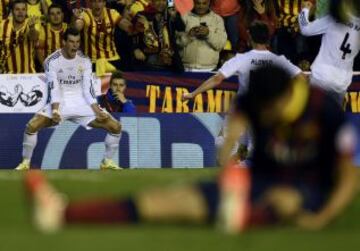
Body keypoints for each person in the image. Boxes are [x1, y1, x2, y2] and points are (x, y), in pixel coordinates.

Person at [24, 65, 358, 234]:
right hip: (258, 179)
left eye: (267, 111)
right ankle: (63, 212)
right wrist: (227, 162)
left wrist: (323, 216)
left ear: (286, 97)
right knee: (170, 200)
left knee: (287, 201)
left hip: (307, 188)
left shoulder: (323, 108)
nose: (264, 118)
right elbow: (236, 124)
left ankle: (238, 216)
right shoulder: (256, 99)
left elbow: (350, 173)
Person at [15, 28, 123, 171]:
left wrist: (97, 110)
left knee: (116, 127)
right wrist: (55, 110)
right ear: (64, 42)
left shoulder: (84, 61)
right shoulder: (52, 61)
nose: (75, 45)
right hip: (60, 103)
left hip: (82, 103)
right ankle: (25, 163)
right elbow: (54, 88)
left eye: (77, 42)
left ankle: (106, 162)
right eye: (71, 42)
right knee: (32, 126)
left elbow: (88, 89)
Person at [298, 1, 360, 104]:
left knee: (312, 117)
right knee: (332, 118)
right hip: (342, 82)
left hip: (321, 77)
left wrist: (304, 10)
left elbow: (305, 30)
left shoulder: (334, 18)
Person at [73, 0, 133, 76]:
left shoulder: (112, 13)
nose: (97, 4)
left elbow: (127, 27)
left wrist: (133, 24)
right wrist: (76, 19)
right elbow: (76, 28)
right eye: (94, 1)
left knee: (118, 83)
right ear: (91, 3)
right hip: (91, 61)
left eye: (100, 1)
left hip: (112, 59)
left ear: (104, 3)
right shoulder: (86, 14)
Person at [176, 0, 227, 72]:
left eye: (204, 3)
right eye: (198, 3)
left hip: (209, 69)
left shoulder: (217, 20)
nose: (201, 6)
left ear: (209, 2)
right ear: (193, 2)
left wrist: (208, 34)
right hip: (186, 68)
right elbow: (177, 44)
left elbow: (220, 45)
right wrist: (189, 36)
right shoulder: (184, 18)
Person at [0, 0, 39, 73]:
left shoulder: (31, 24)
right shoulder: (3, 25)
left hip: (28, 74)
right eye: (17, 9)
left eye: (23, 9)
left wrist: (32, 28)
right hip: (6, 75)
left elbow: (34, 37)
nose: (20, 12)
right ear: (12, 11)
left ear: (26, 11)